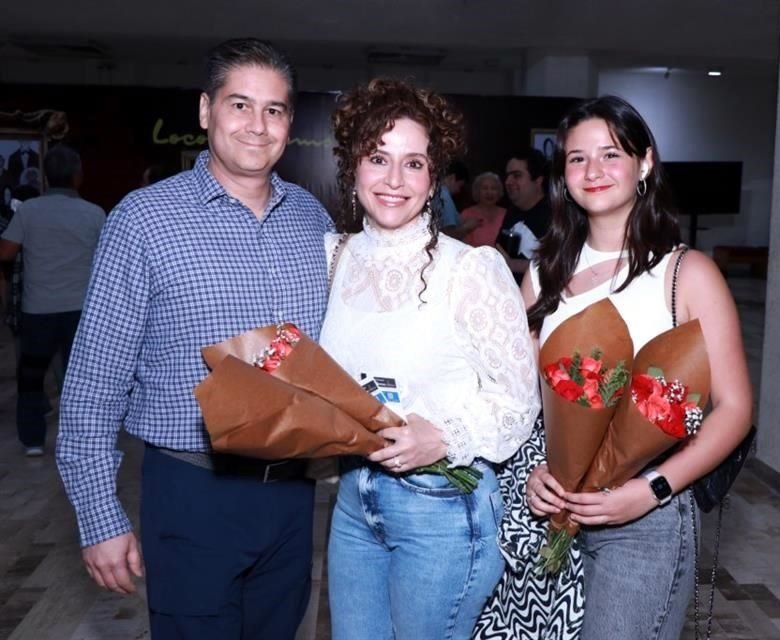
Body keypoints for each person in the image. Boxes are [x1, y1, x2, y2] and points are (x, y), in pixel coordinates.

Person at [56, 38, 333, 639]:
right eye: (240, 105)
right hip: (192, 492)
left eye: (275, 110)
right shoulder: (144, 219)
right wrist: (99, 515)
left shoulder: (312, 219)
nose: (257, 126)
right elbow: (93, 382)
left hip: (290, 497)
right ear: (206, 111)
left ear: (290, 122)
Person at [515, 96, 752, 640]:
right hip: (555, 511)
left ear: (645, 162)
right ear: (562, 174)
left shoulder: (686, 273)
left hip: (648, 518)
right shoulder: (541, 272)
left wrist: (653, 490)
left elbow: (734, 410)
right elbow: (525, 401)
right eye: (577, 158)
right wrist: (536, 472)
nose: (593, 171)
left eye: (610, 154)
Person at [320, 78, 539, 640]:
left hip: (445, 508)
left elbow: (519, 403)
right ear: (353, 167)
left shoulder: (472, 269)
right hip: (353, 502)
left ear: (433, 176)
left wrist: (442, 436)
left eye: (413, 163)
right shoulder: (332, 257)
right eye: (378, 158)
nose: (394, 180)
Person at [0, 145, 106, 456]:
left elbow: (5, 252)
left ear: (45, 177)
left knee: (31, 378)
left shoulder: (29, 211)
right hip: (82, 310)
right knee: (83, 380)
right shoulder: (94, 213)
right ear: (77, 176)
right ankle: (84, 440)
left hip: (39, 309)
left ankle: (33, 440)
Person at [498, 148, 551, 280]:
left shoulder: (557, 216)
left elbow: (563, 267)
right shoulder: (512, 212)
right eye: (507, 176)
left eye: (517, 175)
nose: (508, 182)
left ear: (538, 180)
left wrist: (513, 265)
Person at [460, 171, 506, 248]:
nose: (489, 192)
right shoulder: (467, 214)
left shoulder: (506, 214)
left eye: (493, 188)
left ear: (499, 192)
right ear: (477, 191)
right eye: (485, 188)